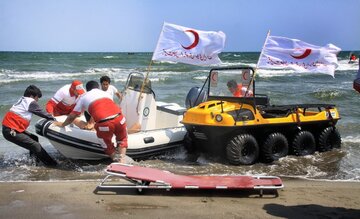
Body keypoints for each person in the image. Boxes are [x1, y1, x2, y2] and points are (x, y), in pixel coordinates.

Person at [53, 81, 128, 163]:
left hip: (105, 123)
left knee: (106, 144)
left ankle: (117, 160)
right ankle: (122, 159)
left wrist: (63, 124)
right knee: (122, 139)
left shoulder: (83, 97)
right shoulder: (106, 94)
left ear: (87, 89)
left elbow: (72, 116)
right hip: (120, 118)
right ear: (98, 87)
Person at [2, 85, 57, 166]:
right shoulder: (30, 101)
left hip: (10, 128)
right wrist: (55, 119)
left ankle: (34, 162)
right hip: (11, 130)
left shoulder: (23, 100)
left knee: (34, 138)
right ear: (31, 96)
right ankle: (52, 164)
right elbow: (41, 112)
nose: (37, 100)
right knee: (35, 145)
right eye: (37, 97)